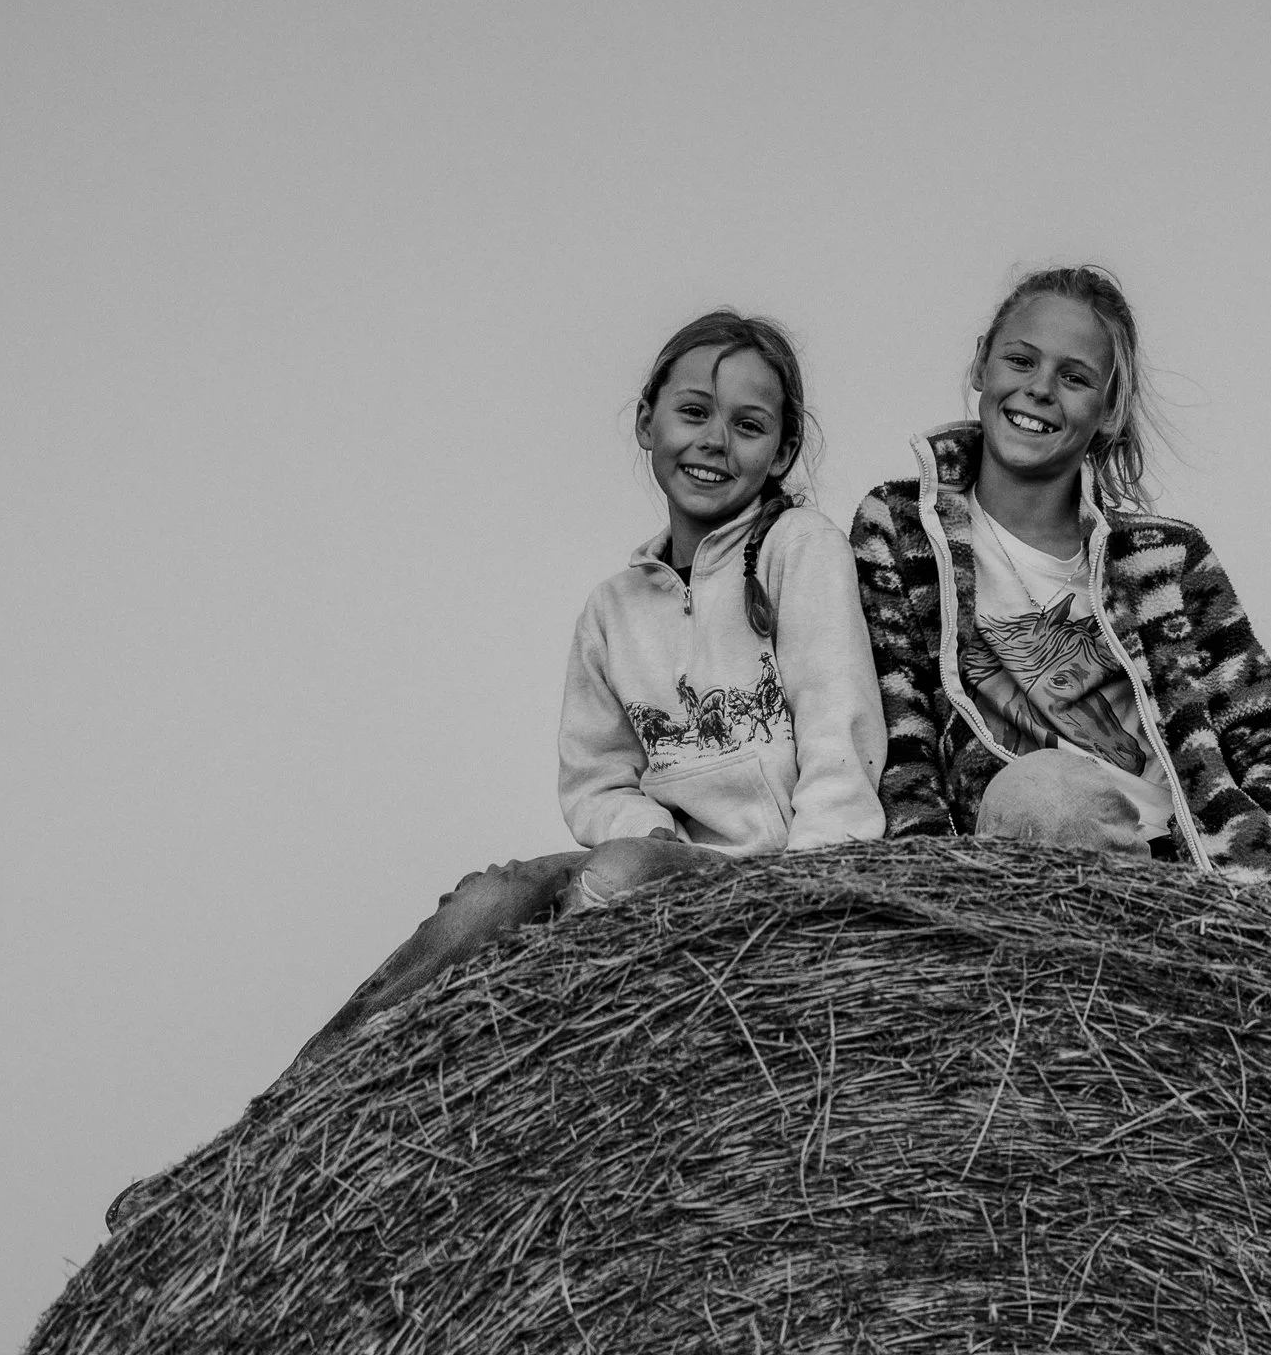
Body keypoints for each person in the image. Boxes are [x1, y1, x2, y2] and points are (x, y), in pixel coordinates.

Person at [290, 311, 886, 1069]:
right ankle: (310, 1088)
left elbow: (843, 728)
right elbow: (595, 776)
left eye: (748, 425)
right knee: (487, 900)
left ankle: (550, 1067)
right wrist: (655, 833)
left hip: (775, 874)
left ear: (783, 450)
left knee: (614, 878)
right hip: (669, 861)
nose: (714, 441)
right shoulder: (613, 610)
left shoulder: (801, 551)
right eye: (693, 413)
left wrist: (811, 895)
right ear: (647, 421)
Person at [850, 265, 1271, 933]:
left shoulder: (1166, 557)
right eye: (1020, 359)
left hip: (1191, 857)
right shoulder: (898, 529)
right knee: (1049, 793)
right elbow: (902, 737)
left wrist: (1255, 856)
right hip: (1023, 835)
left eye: (1074, 377)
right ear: (982, 362)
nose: (1039, 389)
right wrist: (932, 892)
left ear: (1109, 409)